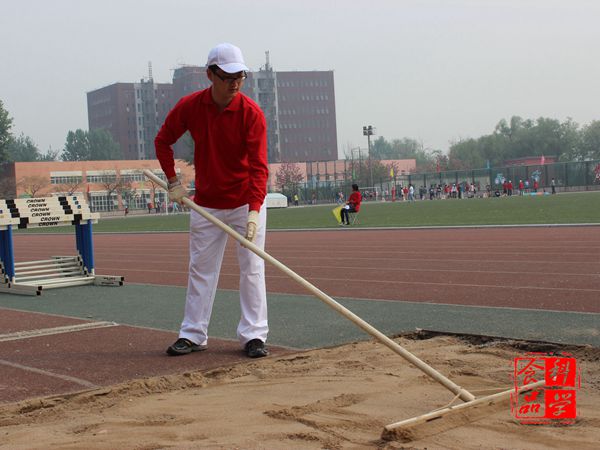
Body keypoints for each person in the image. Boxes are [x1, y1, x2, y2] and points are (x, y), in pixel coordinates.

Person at [155, 43, 269, 359]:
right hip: (206, 204)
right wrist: (173, 182)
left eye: (240, 76)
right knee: (201, 270)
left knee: (252, 268)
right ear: (210, 75)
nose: (235, 83)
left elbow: (259, 167)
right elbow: (163, 141)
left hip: (245, 203)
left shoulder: (251, 114)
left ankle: (254, 335)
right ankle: (193, 334)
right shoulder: (190, 106)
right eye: (228, 77)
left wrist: (254, 212)